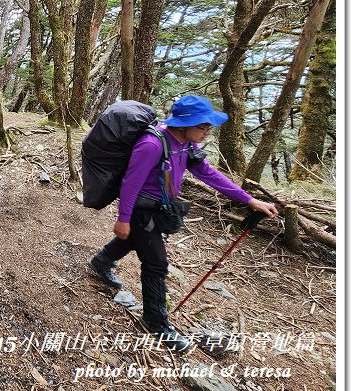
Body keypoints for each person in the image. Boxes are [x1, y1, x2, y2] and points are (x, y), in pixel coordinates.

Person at [88, 95, 278, 352]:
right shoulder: (152, 145)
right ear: (182, 123)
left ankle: (101, 262)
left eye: (209, 126)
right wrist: (123, 219)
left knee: (136, 240)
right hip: (143, 210)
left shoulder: (186, 145)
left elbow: (208, 173)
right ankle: (155, 323)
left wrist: (249, 200)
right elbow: (130, 183)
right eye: (202, 126)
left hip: (160, 208)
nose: (207, 131)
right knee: (156, 264)